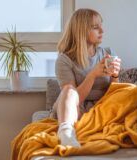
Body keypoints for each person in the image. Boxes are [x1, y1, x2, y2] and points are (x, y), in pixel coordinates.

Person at [51, 8, 122, 147]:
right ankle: (66, 132)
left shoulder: (107, 53)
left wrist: (115, 75)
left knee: (131, 91)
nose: (102, 31)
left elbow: (115, 94)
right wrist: (93, 75)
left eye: (101, 25)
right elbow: (73, 98)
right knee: (69, 90)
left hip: (102, 107)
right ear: (81, 31)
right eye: (96, 27)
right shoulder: (64, 60)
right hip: (75, 109)